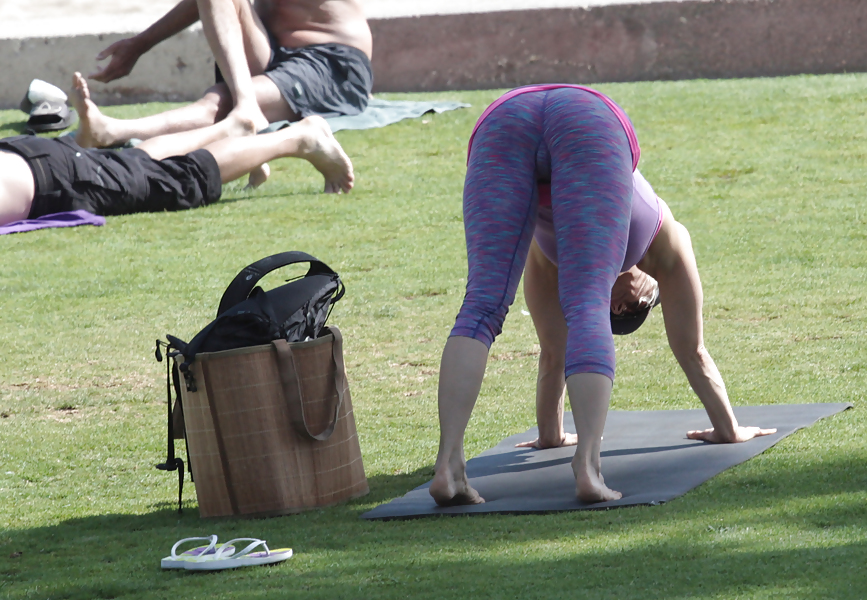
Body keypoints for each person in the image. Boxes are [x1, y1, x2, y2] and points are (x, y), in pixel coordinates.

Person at [429, 84, 776, 507]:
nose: (628, 297)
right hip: (584, 117)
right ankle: (587, 469)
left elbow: (554, 354)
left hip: (507, 118)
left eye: (624, 307)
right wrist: (728, 428)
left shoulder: (553, 259)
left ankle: (449, 467)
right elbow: (693, 350)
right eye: (639, 303)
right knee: (580, 304)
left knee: (482, 306)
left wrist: (550, 435)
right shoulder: (670, 245)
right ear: (648, 296)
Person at [0, 74, 353, 227]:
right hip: (33, 161)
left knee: (181, 181)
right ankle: (230, 130)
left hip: (54, 178)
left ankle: (300, 138)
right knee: (135, 165)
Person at [73, 0, 373, 152]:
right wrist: (139, 45)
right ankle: (247, 107)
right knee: (227, 102)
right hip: (272, 50)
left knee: (215, 103)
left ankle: (113, 131)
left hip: (332, 62)